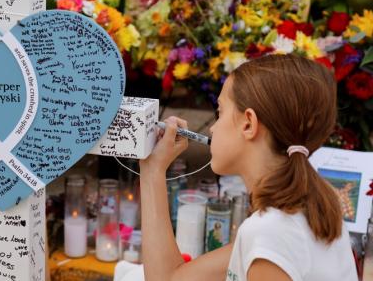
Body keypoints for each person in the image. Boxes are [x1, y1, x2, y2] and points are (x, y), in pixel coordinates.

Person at [140, 54, 358, 281]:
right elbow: (169, 278)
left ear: (248, 124)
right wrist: (152, 169)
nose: (213, 128)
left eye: (220, 112)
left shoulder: (271, 232)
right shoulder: (308, 211)